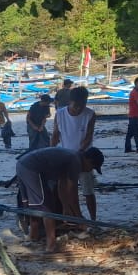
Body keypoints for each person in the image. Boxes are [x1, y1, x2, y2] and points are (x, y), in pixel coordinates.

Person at [14, 146, 105, 252]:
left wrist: (65, 207)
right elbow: (73, 194)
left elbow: (61, 185)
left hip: (22, 164)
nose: (90, 170)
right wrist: (79, 218)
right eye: (92, 167)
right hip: (32, 169)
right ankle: (51, 245)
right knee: (46, 208)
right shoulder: (75, 161)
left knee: (34, 204)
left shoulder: (72, 156)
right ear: (88, 160)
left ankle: (33, 236)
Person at [50, 85, 100, 221]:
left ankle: (93, 218)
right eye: (76, 105)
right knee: (67, 187)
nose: (79, 108)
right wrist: (50, 150)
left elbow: (88, 137)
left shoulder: (90, 114)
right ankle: (71, 214)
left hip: (84, 157)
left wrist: (80, 153)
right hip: (65, 156)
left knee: (88, 190)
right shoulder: (60, 114)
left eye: (82, 105)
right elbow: (55, 135)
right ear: (70, 102)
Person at [124, 76, 138, 153]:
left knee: (130, 133)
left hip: (135, 115)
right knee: (136, 132)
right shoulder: (135, 92)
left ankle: (128, 148)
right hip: (135, 116)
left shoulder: (137, 92)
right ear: (136, 83)